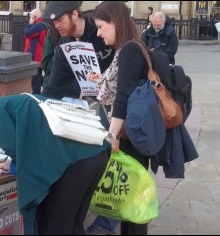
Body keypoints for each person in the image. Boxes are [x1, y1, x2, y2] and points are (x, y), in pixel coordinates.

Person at [0, 84, 111, 235]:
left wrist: (13, 167)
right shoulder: (7, 103)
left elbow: (16, 148)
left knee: (53, 226)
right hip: (94, 152)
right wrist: (12, 164)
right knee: (72, 225)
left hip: (71, 163)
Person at [86, 1, 160, 235]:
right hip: (134, 132)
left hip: (129, 135)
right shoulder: (131, 47)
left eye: (100, 26)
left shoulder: (128, 50)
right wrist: (102, 80)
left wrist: (112, 135)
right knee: (129, 199)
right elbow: (123, 85)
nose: (98, 33)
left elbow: (123, 97)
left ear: (115, 22)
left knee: (132, 199)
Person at [41, 1, 115, 130]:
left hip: (126, 96)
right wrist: (36, 106)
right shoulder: (65, 47)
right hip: (104, 101)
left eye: (60, 20)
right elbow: (54, 87)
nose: (56, 26)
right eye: (54, 22)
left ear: (74, 14)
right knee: (110, 143)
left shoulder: (101, 28)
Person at [24, 9, 49, 94]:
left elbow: (27, 33)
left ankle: (38, 95)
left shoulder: (39, 26)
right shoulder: (42, 25)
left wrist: (30, 24)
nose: (30, 18)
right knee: (37, 76)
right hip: (37, 56)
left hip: (35, 57)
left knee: (35, 80)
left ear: (34, 17)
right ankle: (47, 87)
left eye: (31, 16)